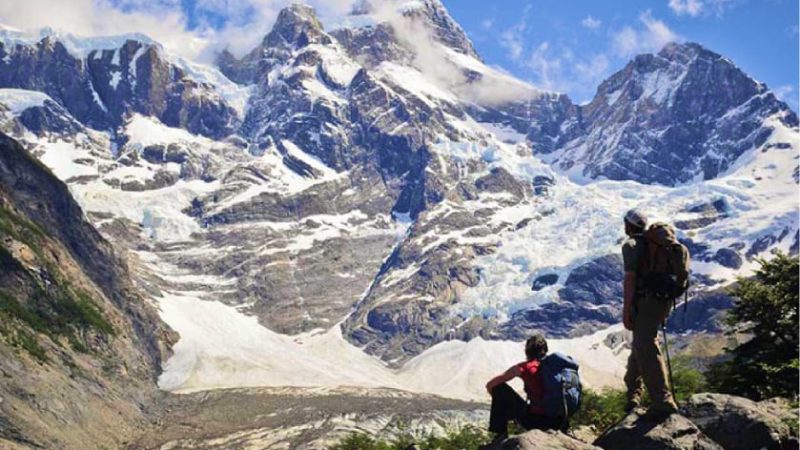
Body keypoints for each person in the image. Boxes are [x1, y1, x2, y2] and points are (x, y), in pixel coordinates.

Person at [621, 209, 679, 420]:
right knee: (640, 343)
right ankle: (634, 395)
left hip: (646, 301)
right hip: (662, 301)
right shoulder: (653, 244)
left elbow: (630, 279)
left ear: (628, 226)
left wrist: (626, 310)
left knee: (646, 345)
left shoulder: (632, 246)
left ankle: (663, 401)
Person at [481, 333, 563, 447]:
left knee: (499, 388)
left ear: (527, 351)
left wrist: (501, 403)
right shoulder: (556, 367)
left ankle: (500, 434)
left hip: (537, 421)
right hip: (560, 421)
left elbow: (490, 385)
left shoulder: (525, 367)